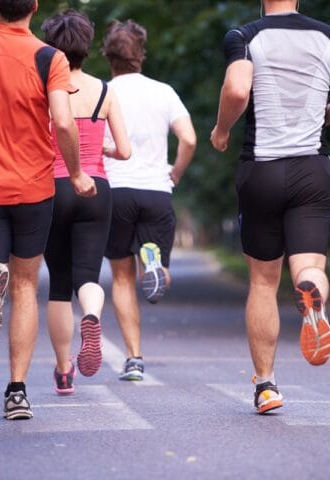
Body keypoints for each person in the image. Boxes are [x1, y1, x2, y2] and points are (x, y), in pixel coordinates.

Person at [0, 0, 95, 420]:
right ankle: (17, 391)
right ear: (34, 6)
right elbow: (63, 121)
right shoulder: (49, 57)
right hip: (33, 189)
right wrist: (76, 172)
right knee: (25, 287)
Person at [210, 0, 330, 414]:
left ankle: (266, 386)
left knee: (263, 281)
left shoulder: (245, 35)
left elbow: (238, 88)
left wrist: (222, 128)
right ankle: (314, 296)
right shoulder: (325, 36)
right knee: (310, 266)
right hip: (313, 169)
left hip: (262, 169)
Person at [41, 10, 131, 395]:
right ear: (87, 46)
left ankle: (64, 372)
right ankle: (91, 315)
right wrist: (100, 148)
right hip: (96, 188)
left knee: (58, 285)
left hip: (52, 189)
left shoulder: (42, 90)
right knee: (88, 277)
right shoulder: (105, 91)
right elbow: (125, 151)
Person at [102, 20, 197, 380]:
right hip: (156, 191)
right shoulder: (164, 92)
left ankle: (134, 358)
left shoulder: (103, 92)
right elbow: (188, 139)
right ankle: (153, 263)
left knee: (123, 279)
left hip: (117, 190)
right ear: (141, 54)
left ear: (108, 56)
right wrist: (175, 173)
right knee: (155, 270)